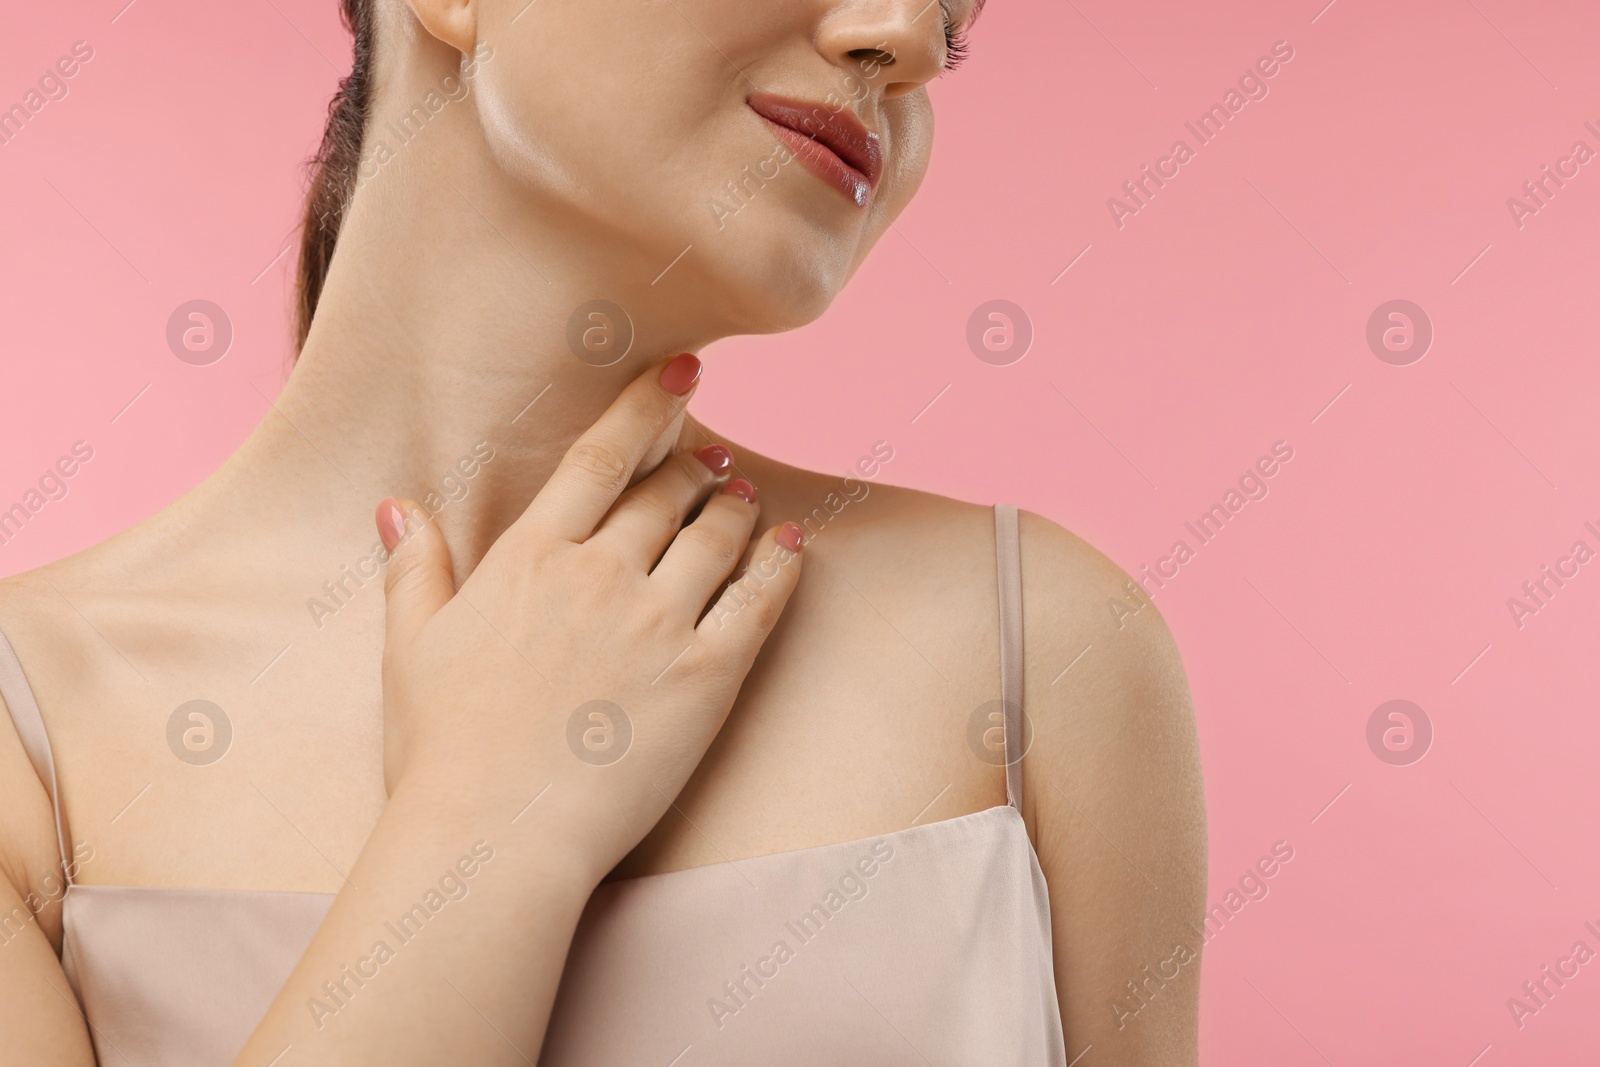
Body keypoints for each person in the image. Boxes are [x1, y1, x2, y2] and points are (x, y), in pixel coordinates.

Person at [0, 0, 1206, 1063]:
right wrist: (487, 822)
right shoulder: (28, 737)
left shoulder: (1037, 649)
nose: (901, 39)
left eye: (958, 17)